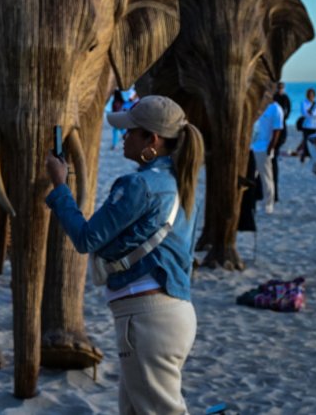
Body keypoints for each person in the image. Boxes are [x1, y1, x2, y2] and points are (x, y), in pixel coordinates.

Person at [44, 95, 203, 415]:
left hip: (147, 319)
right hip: (173, 313)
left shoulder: (138, 185)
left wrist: (60, 186)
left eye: (131, 131)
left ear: (153, 140)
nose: (125, 137)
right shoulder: (181, 187)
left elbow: (87, 238)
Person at [250, 90, 285, 213]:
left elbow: (277, 131)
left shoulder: (276, 109)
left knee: (266, 177)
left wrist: (271, 147)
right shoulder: (257, 106)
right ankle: (250, 203)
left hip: (263, 147)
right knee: (250, 176)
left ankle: (269, 203)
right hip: (251, 146)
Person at [294, 88, 316, 167]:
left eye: (312, 94)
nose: (311, 96)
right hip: (307, 125)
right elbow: (305, 113)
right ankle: (304, 155)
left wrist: (313, 113)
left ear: (314, 95)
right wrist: (315, 113)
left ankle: (315, 156)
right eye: (309, 94)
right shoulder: (304, 103)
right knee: (305, 141)